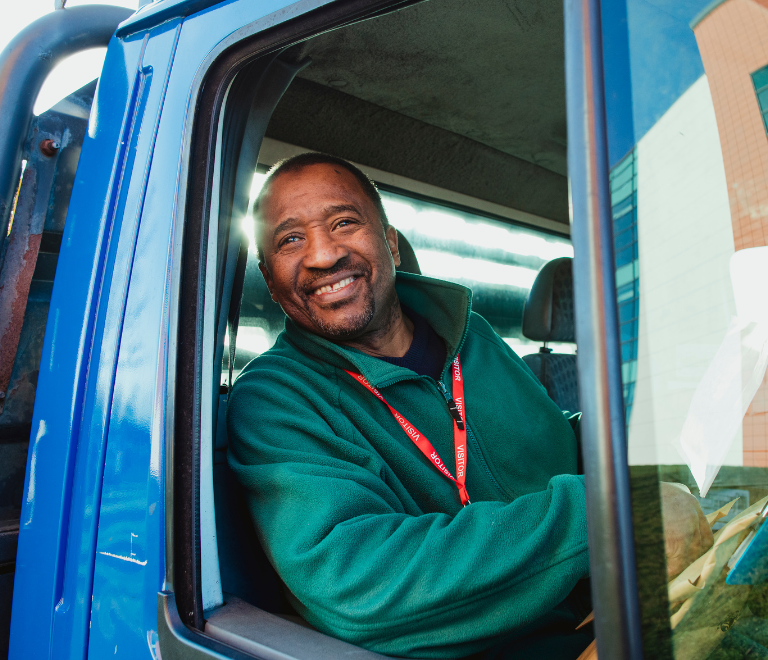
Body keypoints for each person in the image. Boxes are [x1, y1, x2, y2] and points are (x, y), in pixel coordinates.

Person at [227, 152, 713, 659]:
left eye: (344, 222)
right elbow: (356, 582)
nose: (323, 255)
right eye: (290, 239)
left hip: (610, 613)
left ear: (389, 242)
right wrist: (605, 518)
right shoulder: (275, 398)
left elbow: (548, 447)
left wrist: (661, 445)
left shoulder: (471, 336)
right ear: (271, 278)